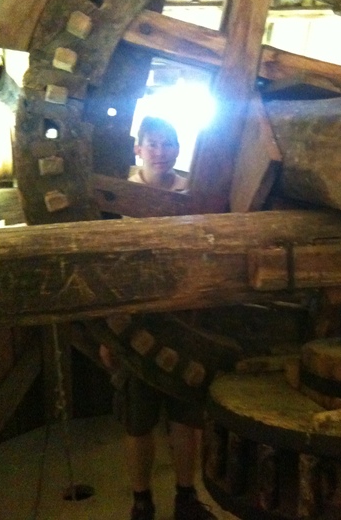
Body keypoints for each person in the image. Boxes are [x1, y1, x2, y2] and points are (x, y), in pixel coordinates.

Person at [100, 116, 217, 520]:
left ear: (178, 149)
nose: (161, 152)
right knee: (138, 422)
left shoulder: (193, 193)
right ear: (138, 148)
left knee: (187, 418)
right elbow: (107, 266)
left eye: (168, 144)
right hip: (135, 324)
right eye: (153, 144)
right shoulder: (117, 196)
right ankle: (142, 501)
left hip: (186, 317)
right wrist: (109, 334)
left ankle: (186, 497)